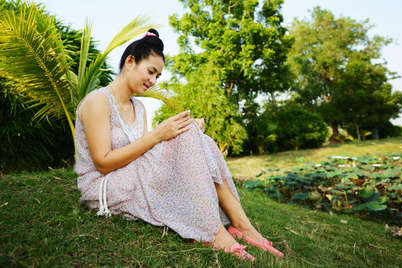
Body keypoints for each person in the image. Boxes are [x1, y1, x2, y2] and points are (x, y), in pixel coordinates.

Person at [74, 29, 283, 262]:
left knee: (200, 138)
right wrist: (159, 135)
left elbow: (143, 157)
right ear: (131, 61)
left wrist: (183, 135)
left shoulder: (139, 108)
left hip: (129, 175)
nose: (152, 81)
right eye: (150, 72)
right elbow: (103, 163)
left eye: (157, 77)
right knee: (186, 133)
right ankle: (214, 232)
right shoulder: (97, 101)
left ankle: (242, 224)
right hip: (104, 186)